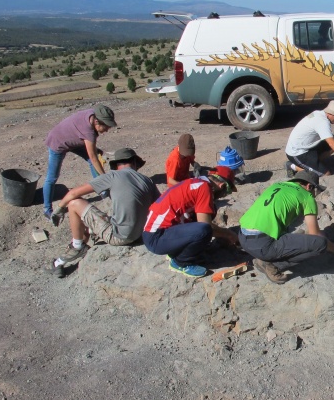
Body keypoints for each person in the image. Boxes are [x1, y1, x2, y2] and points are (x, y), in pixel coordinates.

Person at [48, 148, 160, 278]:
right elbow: (161, 205)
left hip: (120, 236)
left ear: (117, 165)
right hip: (140, 234)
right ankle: (76, 247)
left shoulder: (112, 176)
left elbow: (73, 194)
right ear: (135, 162)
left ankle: (77, 247)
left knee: (74, 204)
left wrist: (59, 210)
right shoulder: (147, 180)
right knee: (87, 225)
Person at [238, 171, 334, 284]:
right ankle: (273, 265)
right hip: (262, 245)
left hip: (242, 237)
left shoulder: (277, 185)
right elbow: (315, 234)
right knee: (320, 244)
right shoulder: (307, 196)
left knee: (294, 233)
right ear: (309, 186)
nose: (315, 195)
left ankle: (267, 257)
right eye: (316, 191)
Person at [142, 168, 238, 278]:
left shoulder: (196, 182)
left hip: (156, 232)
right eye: (226, 192)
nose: (223, 196)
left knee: (210, 210)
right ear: (222, 185)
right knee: (204, 230)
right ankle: (181, 262)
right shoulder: (204, 188)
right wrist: (228, 234)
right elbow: (206, 225)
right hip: (157, 238)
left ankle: (177, 250)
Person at [43, 104, 115, 220]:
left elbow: (92, 153)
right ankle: (47, 210)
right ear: (97, 122)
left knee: (94, 156)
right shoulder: (88, 132)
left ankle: (102, 191)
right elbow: (93, 157)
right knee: (52, 178)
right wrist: (106, 178)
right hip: (57, 142)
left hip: (73, 139)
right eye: (106, 127)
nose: (107, 130)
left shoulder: (94, 114)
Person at [284, 100, 334, 177]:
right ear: (330, 113)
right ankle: (292, 166)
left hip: (307, 147)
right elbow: (332, 143)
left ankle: (314, 164)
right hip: (297, 153)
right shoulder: (322, 122)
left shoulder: (319, 113)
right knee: (325, 175)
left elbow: (332, 141)